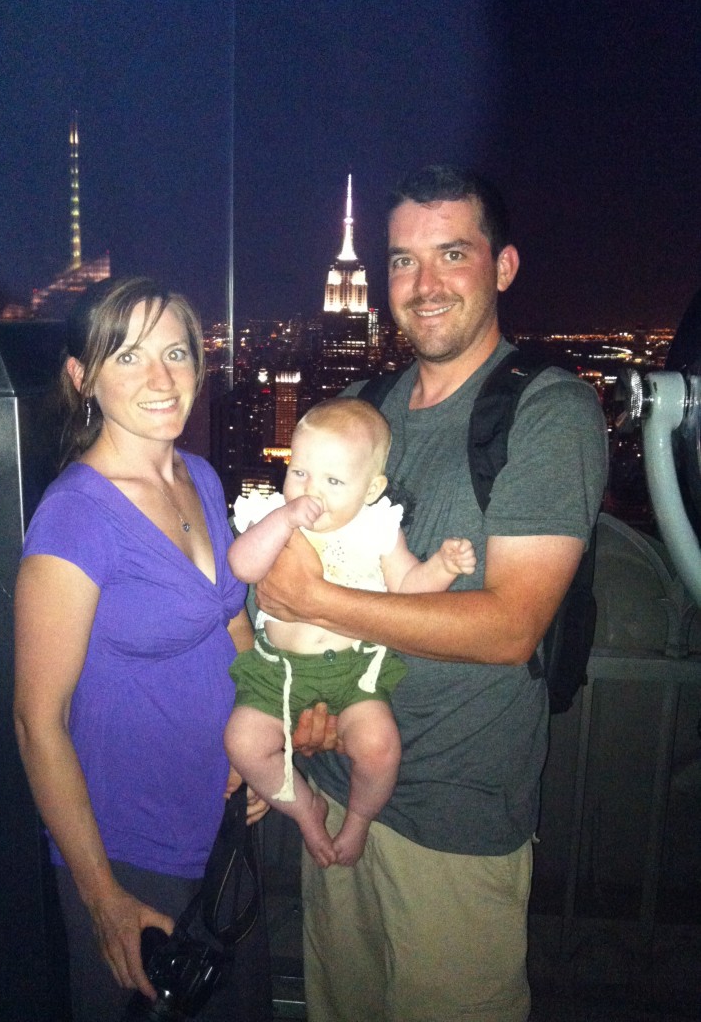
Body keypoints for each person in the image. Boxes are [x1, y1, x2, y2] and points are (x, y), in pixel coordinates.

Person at [257, 165, 609, 1022]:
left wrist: (315, 604)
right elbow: (287, 574)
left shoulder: (546, 412)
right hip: (337, 790)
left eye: (453, 253)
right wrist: (303, 697)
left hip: (456, 819)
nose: (425, 284)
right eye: (404, 262)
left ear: (504, 267)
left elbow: (508, 628)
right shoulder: (358, 410)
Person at [13, 277, 272, 1022]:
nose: (161, 379)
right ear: (82, 377)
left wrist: (258, 742)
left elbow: (233, 626)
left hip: (220, 829)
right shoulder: (76, 518)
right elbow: (39, 722)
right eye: (128, 357)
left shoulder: (199, 475)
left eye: (177, 353)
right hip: (129, 852)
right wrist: (102, 900)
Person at [224, 398, 476, 868]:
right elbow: (242, 564)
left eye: (334, 481)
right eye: (299, 472)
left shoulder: (377, 527)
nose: (310, 491)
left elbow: (407, 590)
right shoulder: (271, 514)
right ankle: (305, 809)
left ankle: (358, 819)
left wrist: (440, 568)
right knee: (242, 741)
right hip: (275, 672)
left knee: (380, 747)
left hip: (354, 672)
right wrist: (281, 520)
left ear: (372, 487)